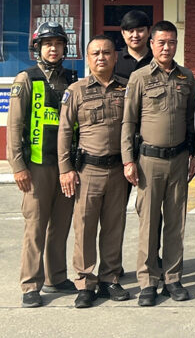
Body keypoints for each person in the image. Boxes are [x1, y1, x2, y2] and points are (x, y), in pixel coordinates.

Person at [121, 20, 195, 307]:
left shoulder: (186, 77)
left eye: (172, 42)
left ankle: (173, 278)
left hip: (178, 159)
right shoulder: (139, 77)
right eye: (162, 42)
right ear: (152, 44)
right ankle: (148, 282)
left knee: (176, 223)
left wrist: (194, 154)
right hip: (148, 161)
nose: (167, 47)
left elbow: (191, 120)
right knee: (149, 223)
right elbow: (128, 121)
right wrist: (128, 160)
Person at [57, 35, 130, 308]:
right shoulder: (76, 90)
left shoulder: (126, 88)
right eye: (96, 53)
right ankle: (86, 283)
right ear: (88, 58)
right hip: (88, 170)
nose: (101, 57)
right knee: (85, 227)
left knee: (114, 226)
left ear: (115, 57)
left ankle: (110, 278)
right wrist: (65, 169)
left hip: (118, 170)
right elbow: (65, 132)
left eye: (106, 52)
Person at [8, 21, 77, 307]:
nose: (53, 49)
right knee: (35, 226)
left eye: (58, 44)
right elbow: (14, 126)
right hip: (36, 166)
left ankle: (56, 277)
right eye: (48, 44)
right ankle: (30, 284)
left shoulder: (72, 79)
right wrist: (18, 166)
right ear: (38, 47)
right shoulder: (26, 78)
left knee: (60, 225)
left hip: (65, 165)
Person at [115, 10, 152, 80]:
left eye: (140, 30)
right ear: (123, 33)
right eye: (131, 31)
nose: (135, 35)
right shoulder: (114, 60)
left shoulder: (156, 59)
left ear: (149, 32)